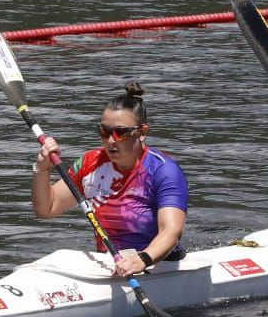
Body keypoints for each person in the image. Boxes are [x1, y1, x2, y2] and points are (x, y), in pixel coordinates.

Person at [32, 81, 187, 278]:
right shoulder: (90, 163)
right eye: (105, 132)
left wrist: (141, 260)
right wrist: (42, 168)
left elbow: (171, 231)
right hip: (110, 264)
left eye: (121, 133)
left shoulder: (164, 170)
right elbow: (47, 209)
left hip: (159, 265)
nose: (111, 140)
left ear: (142, 132)